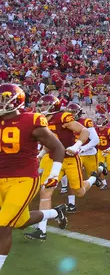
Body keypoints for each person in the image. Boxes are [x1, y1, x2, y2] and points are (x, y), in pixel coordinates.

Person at [0, 84, 68, 269]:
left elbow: (58, 147)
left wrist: (54, 174)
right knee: (20, 222)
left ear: (16, 100)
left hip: (23, 179)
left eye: (4, 98)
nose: (1, 102)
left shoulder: (31, 120)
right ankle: (56, 212)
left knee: (3, 225)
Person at [26, 94, 100, 241]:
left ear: (53, 106)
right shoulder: (42, 121)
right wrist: (41, 154)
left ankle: (93, 178)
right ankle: (42, 230)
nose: (42, 108)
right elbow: (51, 142)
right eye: (41, 105)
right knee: (45, 191)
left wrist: (77, 145)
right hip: (55, 161)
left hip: (71, 159)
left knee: (79, 191)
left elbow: (84, 131)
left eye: (45, 105)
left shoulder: (62, 117)